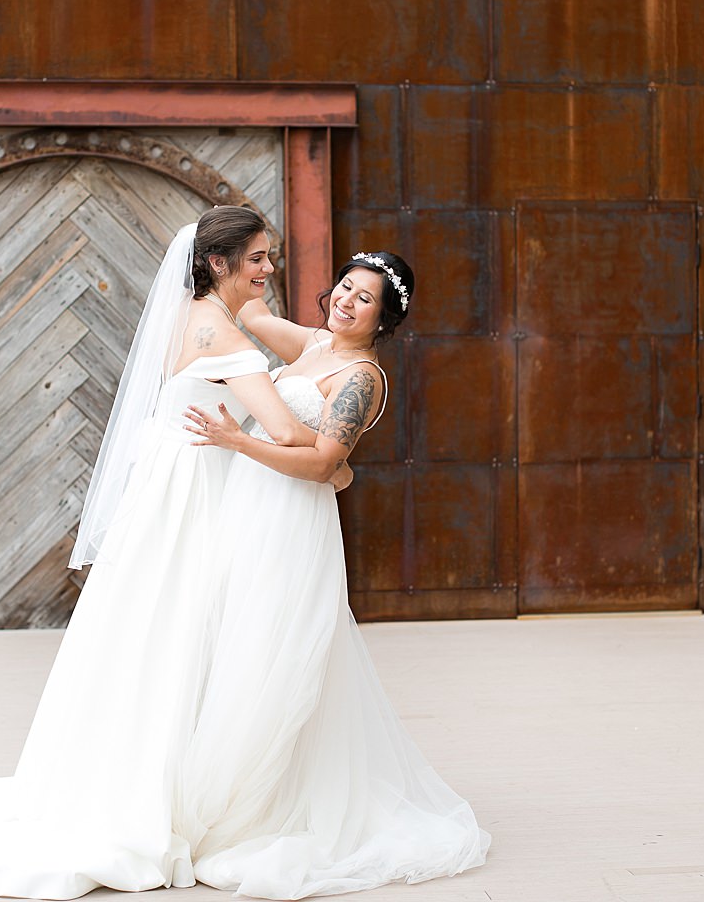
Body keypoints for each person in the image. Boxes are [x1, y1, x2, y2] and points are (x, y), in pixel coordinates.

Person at [0, 206, 334, 899]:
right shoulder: (222, 336)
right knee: (184, 629)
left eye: (270, 255)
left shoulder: (185, 315)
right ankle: (168, 787)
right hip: (193, 494)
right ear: (219, 263)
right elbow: (287, 432)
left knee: (146, 630)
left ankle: (137, 770)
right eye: (257, 257)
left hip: (163, 490)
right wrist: (327, 440)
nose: (268, 268)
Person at [180, 251, 491, 898]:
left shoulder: (362, 377)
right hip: (249, 507)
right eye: (345, 288)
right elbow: (254, 313)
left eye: (365, 299)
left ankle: (254, 800)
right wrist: (237, 255)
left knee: (272, 647)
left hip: (291, 520)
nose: (347, 302)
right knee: (230, 637)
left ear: (386, 318)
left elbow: (324, 465)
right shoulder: (315, 342)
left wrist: (238, 442)